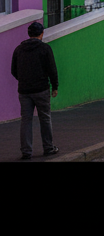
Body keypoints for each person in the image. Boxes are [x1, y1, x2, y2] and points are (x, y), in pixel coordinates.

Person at [11, 21, 59, 159]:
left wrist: (23, 80)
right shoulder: (45, 49)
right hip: (41, 89)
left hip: (24, 91)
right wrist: (55, 86)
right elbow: (52, 69)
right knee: (45, 118)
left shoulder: (18, 49)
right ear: (41, 33)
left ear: (29, 34)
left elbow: (13, 70)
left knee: (26, 120)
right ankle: (48, 148)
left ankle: (26, 151)